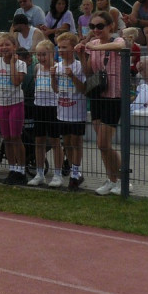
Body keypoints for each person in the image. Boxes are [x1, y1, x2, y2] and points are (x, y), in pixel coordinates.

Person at [75, 11, 128, 195]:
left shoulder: (118, 40)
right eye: (92, 27)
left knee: (103, 143)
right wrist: (83, 54)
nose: (96, 30)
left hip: (113, 96)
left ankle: (123, 179)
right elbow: (88, 71)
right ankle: (111, 178)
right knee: (102, 144)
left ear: (110, 26)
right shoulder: (93, 44)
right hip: (98, 95)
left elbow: (118, 46)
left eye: (100, 26)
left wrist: (92, 46)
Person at [0, 33, 28, 185]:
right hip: (1, 104)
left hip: (15, 103)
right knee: (7, 138)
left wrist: (14, 64)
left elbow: (16, 82)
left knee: (16, 137)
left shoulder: (21, 64)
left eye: (7, 45)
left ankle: (21, 170)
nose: (4, 48)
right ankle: (12, 169)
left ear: (14, 47)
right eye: (1, 45)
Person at [52, 32, 87, 190]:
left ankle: (75, 172)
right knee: (66, 142)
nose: (61, 50)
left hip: (77, 112)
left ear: (73, 48)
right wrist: (53, 77)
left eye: (64, 47)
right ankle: (73, 170)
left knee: (76, 141)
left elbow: (84, 89)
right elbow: (55, 89)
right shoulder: (57, 66)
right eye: (59, 47)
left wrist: (72, 76)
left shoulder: (79, 66)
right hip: (62, 111)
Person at [28, 40, 62, 186]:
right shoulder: (37, 68)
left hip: (53, 108)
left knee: (55, 141)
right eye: (39, 55)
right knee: (39, 141)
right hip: (39, 106)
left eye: (44, 54)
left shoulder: (58, 68)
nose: (41, 58)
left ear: (52, 53)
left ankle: (58, 174)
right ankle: (40, 173)